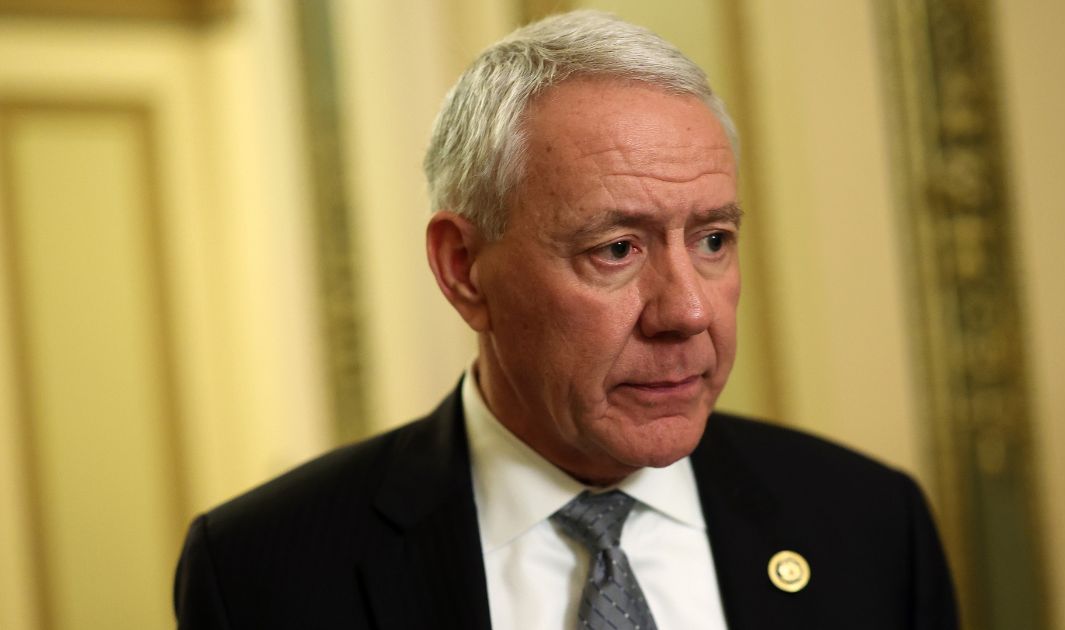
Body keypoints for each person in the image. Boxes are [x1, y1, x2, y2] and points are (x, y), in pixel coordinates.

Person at [175, 10, 958, 629]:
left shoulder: (870, 525)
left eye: (713, 239)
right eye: (616, 249)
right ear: (462, 270)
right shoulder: (265, 572)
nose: (686, 311)